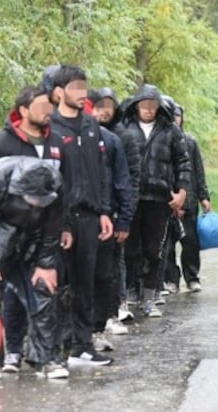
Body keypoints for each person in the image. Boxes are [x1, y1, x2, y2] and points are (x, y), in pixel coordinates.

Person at [0, 85, 71, 380]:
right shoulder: (1, 142)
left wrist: (64, 227)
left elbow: (61, 192)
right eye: (42, 105)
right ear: (23, 110)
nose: (49, 111)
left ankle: (47, 359)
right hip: (4, 235)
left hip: (42, 232)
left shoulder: (57, 141)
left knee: (45, 290)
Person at [0, 155, 70, 381]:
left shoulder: (56, 183)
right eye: (32, 199)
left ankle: (47, 359)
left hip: (35, 238)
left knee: (44, 290)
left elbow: (54, 227)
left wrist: (45, 264)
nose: (36, 204)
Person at [47, 65, 115, 367]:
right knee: (58, 283)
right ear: (59, 91)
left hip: (89, 215)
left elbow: (100, 173)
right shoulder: (51, 126)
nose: (81, 93)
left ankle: (82, 345)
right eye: (75, 87)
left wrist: (103, 211)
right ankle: (57, 345)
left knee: (86, 282)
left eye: (84, 87)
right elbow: (48, 179)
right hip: (59, 219)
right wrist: (60, 222)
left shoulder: (91, 126)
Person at [121, 84, 191, 317]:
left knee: (154, 249)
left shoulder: (171, 130)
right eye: (144, 105)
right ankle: (130, 292)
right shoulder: (124, 128)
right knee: (129, 249)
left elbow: (183, 163)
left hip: (160, 198)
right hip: (131, 197)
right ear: (136, 106)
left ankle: (150, 296)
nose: (148, 110)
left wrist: (181, 192)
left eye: (153, 105)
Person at [87, 88, 134, 340]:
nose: (100, 112)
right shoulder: (68, 138)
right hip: (77, 218)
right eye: (95, 106)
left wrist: (124, 217)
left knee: (108, 271)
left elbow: (123, 181)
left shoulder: (113, 140)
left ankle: (108, 317)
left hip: (109, 216)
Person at [162, 99, 210, 294]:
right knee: (167, 244)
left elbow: (198, 171)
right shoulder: (160, 140)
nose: (175, 120)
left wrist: (203, 196)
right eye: (171, 116)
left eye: (178, 116)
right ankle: (171, 279)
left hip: (188, 199)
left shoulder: (189, 142)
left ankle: (192, 277)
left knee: (190, 242)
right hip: (165, 201)